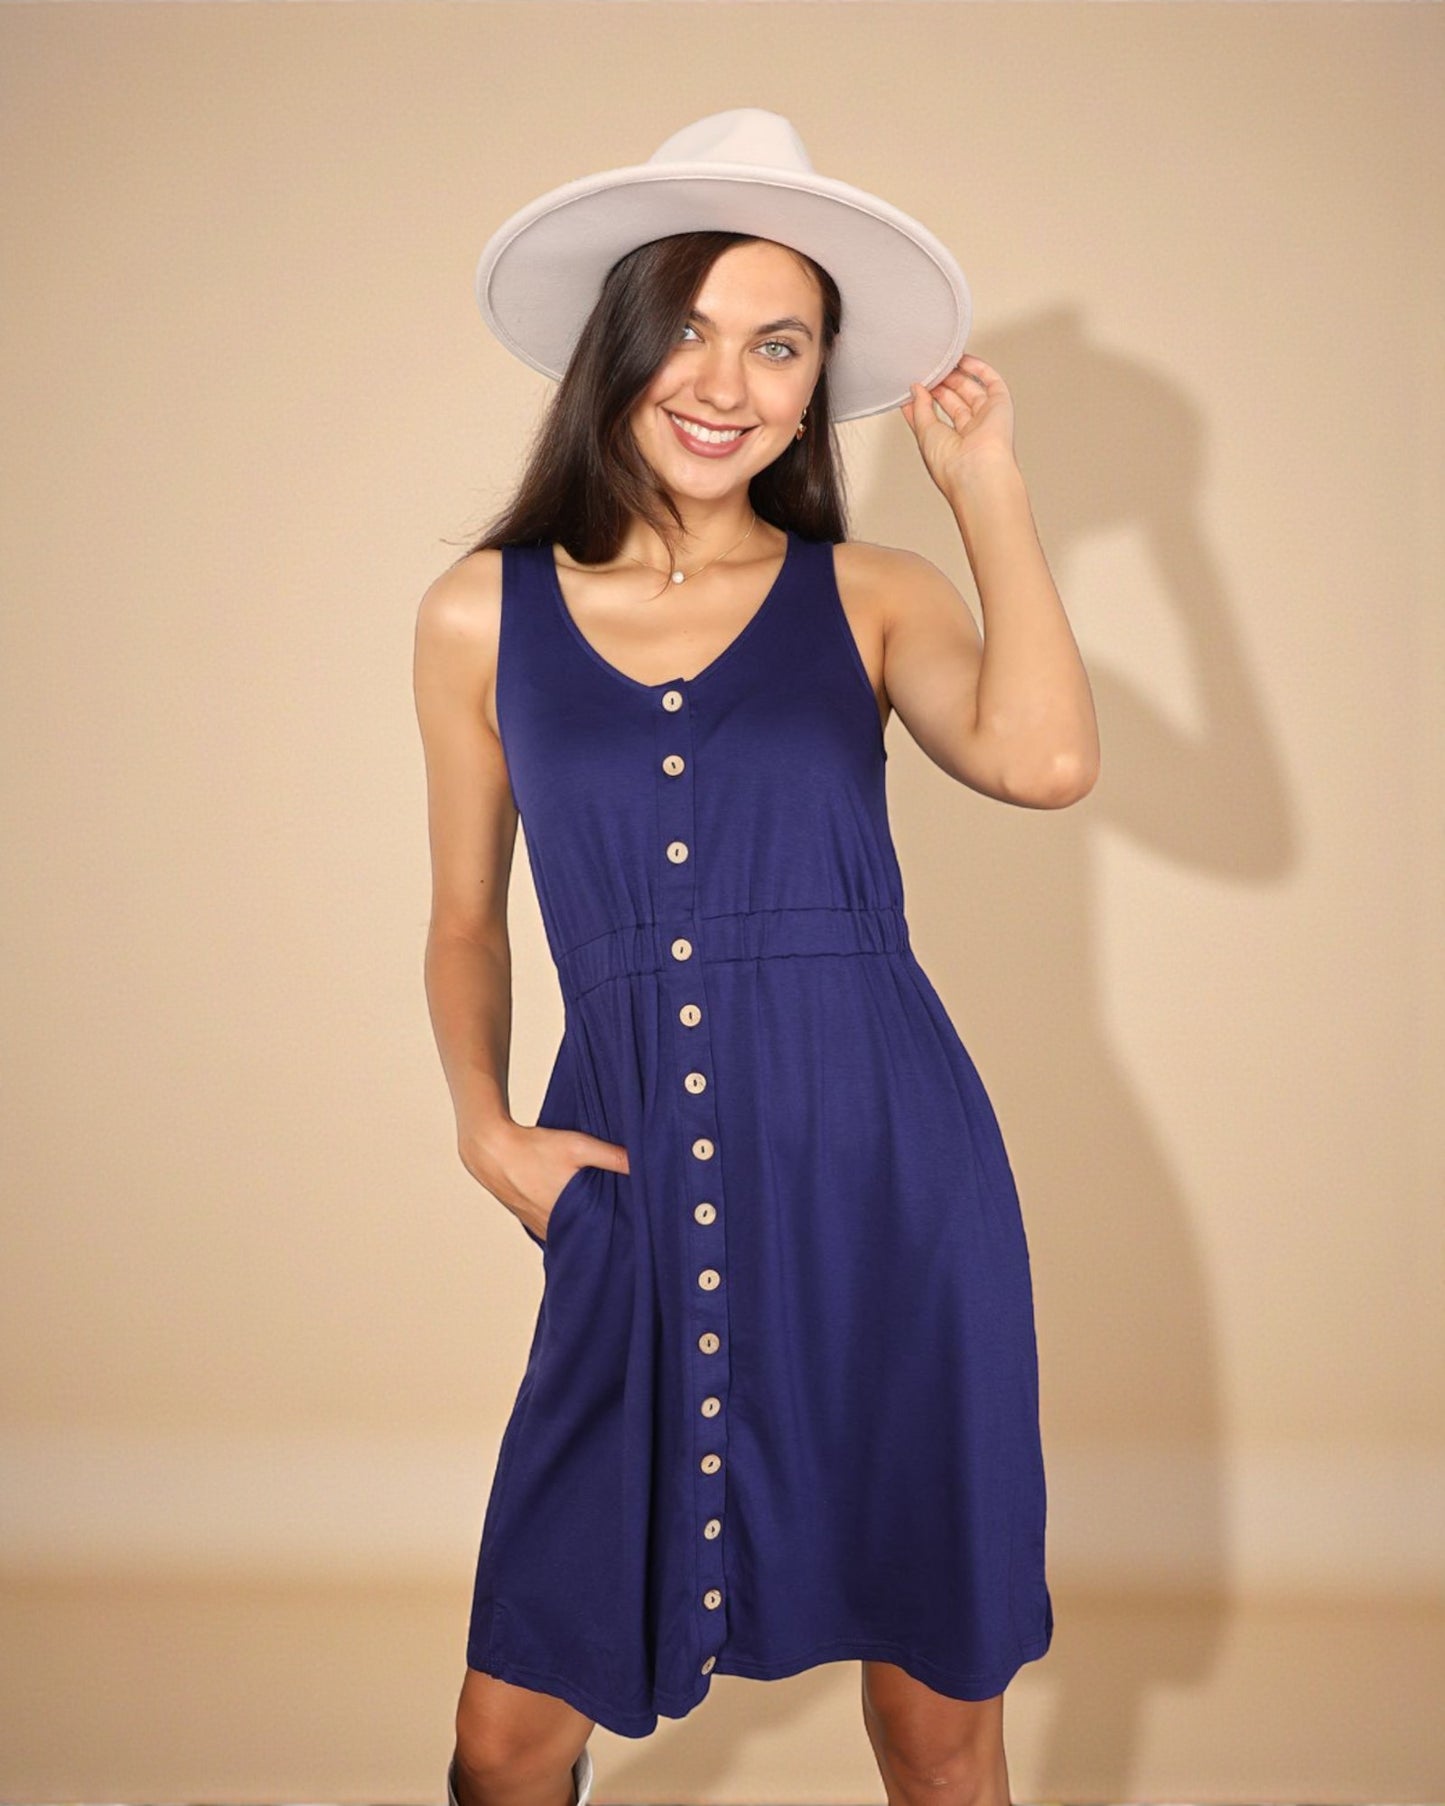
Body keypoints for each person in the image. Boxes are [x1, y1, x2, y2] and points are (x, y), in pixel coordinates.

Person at [413, 109, 1098, 1806]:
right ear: (621, 350)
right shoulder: (476, 613)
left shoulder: (870, 590)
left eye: (779, 342)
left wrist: (987, 489)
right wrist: (483, 1126)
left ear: (813, 384)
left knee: (933, 1716)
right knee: (507, 1735)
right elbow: (461, 916)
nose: (730, 379)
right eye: (695, 330)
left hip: (889, 1179)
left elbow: (1042, 759)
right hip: (631, 1176)